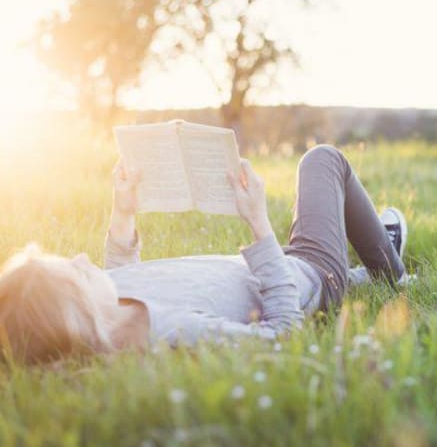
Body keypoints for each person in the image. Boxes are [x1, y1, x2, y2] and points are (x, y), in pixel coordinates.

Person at [0, 144, 409, 365]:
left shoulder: (110, 312)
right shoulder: (171, 332)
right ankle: (391, 270)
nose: (82, 259)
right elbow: (281, 336)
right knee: (322, 160)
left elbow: (121, 280)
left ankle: (366, 266)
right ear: (83, 315)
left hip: (270, 265)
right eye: (76, 273)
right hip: (310, 273)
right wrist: (258, 223)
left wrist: (122, 211)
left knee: (322, 226)